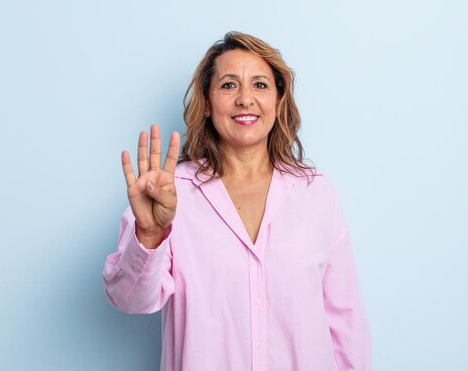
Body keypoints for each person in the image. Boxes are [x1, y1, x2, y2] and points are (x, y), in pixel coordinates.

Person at [102, 31, 371, 371]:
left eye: (260, 85)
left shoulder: (314, 192)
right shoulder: (169, 194)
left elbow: (345, 321)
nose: (245, 99)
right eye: (229, 85)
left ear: (278, 99)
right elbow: (130, 300)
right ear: (208, 100)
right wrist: (150, 234)